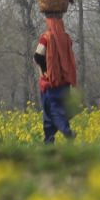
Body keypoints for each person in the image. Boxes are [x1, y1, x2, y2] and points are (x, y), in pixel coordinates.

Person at [33, 12, 78, 144]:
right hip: (64, 83)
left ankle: (66, 131)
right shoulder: (66, 38)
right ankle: (48, 141)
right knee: (58, 111)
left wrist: (44, 70)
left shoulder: (46, 37)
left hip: (50, 83)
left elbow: (38, 55)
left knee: (53, 112)